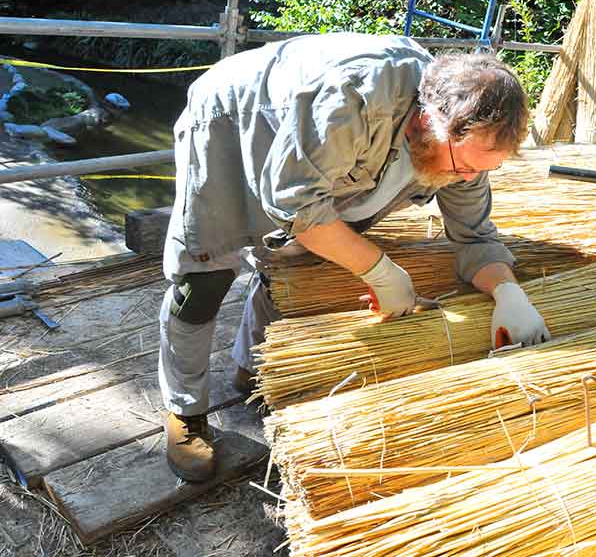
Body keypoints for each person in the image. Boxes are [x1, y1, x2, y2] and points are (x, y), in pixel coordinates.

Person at [159, 32, 551, 482]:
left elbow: (475, 236)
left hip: (323, 154)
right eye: (465, 166)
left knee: (297, 262)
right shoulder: (355, 98)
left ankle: (254, 368)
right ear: (430, 122)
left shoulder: (465, 151)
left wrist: (507, 291)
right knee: (203, 276)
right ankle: (184, 411)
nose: (469, 178)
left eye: (484, 169)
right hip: (236, 120)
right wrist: (380, 270)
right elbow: (295, 204)